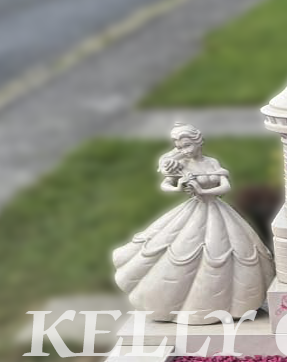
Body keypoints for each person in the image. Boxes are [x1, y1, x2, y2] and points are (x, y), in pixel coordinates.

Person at [113, 124, 274, 324]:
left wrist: (202, 190)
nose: (184, 150)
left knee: (226, 252)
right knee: (181, 250)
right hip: (194, 211)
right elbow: (166, 184)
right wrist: (181, 185)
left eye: (188, 145)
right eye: (180, 147)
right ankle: (172, 303)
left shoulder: (212, 162)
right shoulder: (181, 164)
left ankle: (229, 303)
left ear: (199, 142)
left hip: (216, 210)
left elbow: (225, 186)